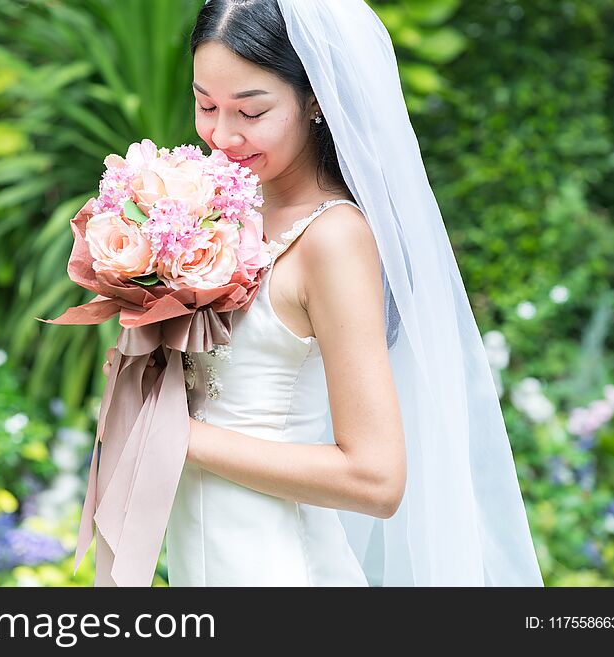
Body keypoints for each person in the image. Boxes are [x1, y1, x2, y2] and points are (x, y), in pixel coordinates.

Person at [104, 0, 544, 586]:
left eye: (251, 111)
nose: (222, 135)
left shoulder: (334, 239)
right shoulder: (216, 211)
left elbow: (376, 478)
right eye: (205, 104)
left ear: (314, 100)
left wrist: (181, 437)